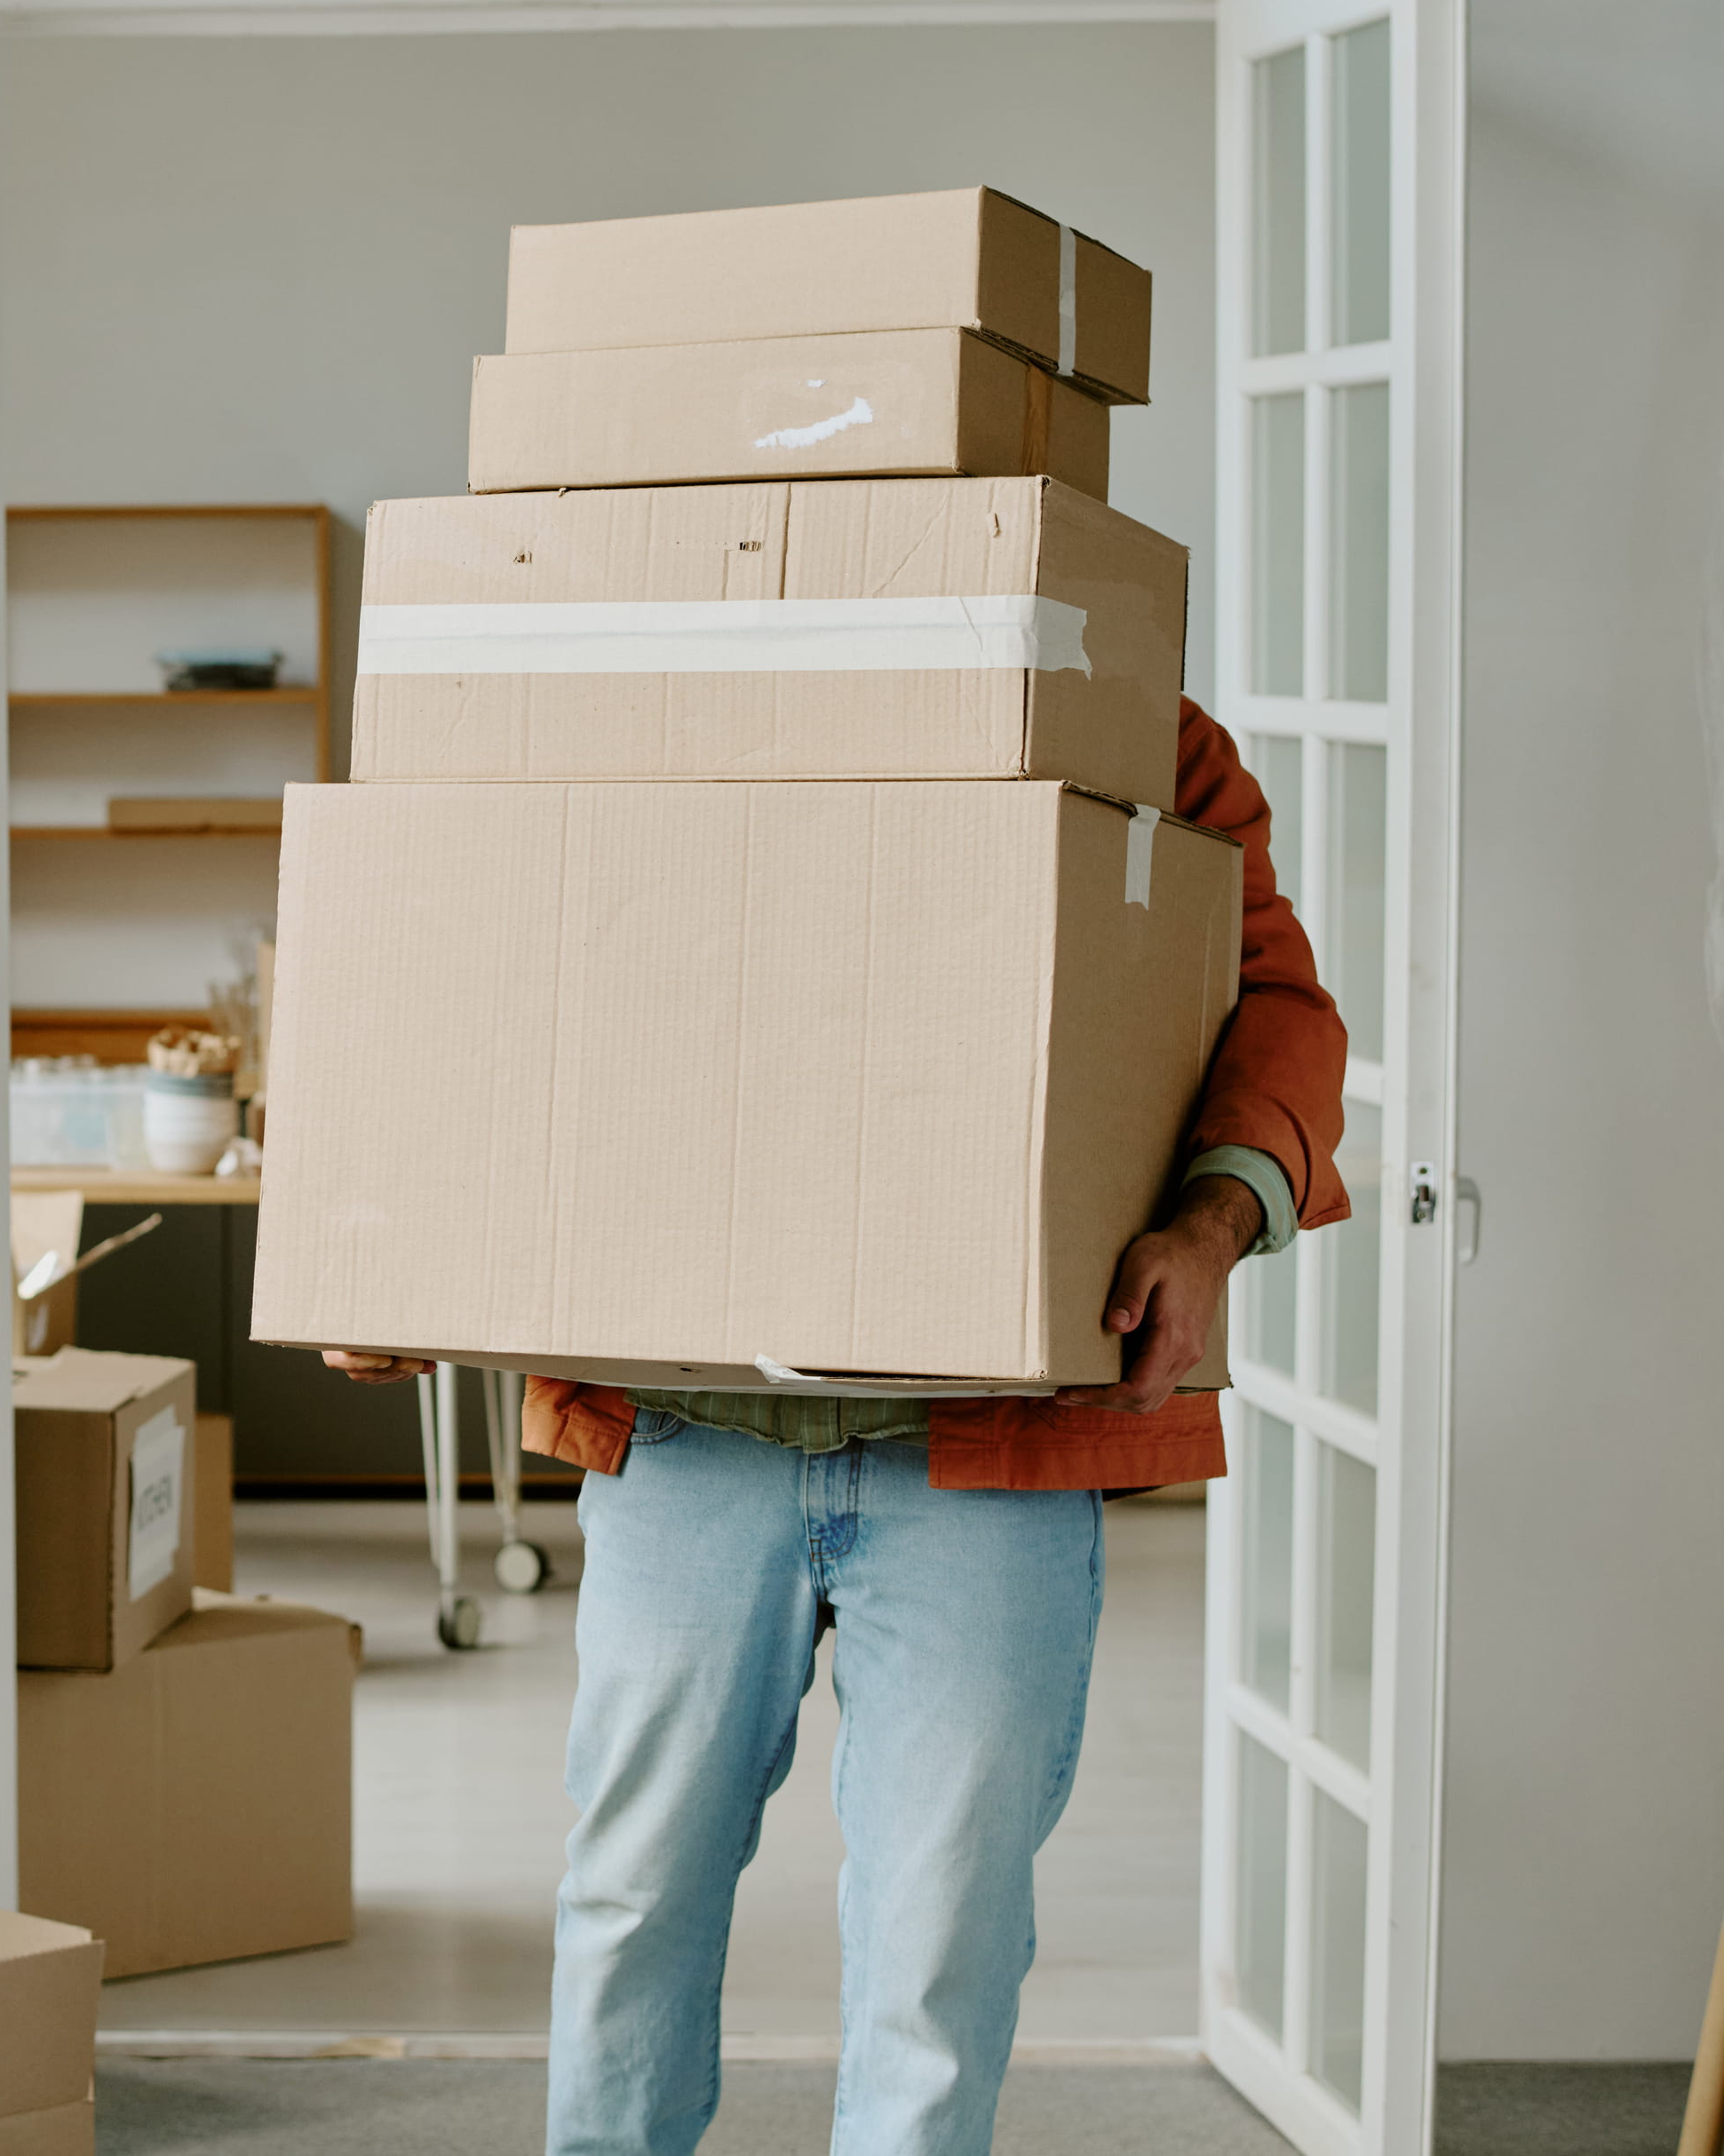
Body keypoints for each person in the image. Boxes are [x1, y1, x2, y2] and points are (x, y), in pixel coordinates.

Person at [323, 699, 1347, 2156]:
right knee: (634, 1899)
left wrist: (1212, 1220)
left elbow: (1276, 1001)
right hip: (691, 1432)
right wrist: (402, 1247)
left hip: (990, 1451)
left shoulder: (1117, 710)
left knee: (946, 1934)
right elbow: (464, 942)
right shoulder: (645, 669)